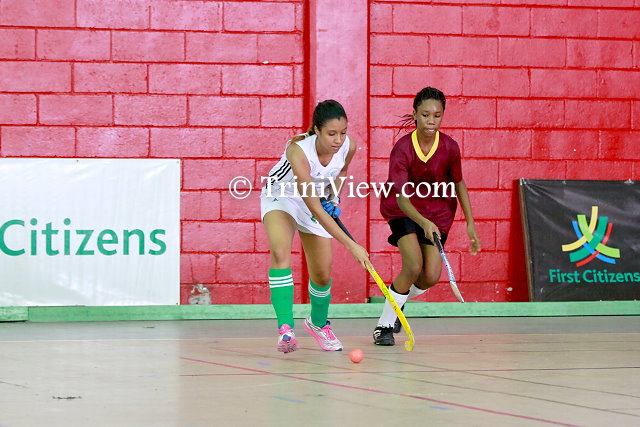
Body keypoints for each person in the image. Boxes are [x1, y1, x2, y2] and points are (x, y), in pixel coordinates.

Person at [373, 87, 481, 346]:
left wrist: (470, 223)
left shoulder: (450, 147)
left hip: (437, 211)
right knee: (413, 265)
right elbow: (401, 197)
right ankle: (384, 326)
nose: (431, 121)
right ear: (415, 114)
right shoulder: (402, 148)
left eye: (437, 116)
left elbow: (459, 182)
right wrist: (422, 222)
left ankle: (397, 300)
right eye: (425, 115)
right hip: (402, 208)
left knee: (430, 275)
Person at [261, 99, 370, 353]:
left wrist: (333, 197)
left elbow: (341, 172)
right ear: (317, 130)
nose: (338, 140)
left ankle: (318, 324)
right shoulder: (298, 151)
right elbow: (315, 209)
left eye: (343, 132)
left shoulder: (348, 146)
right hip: (282, 196)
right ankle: (286, 330)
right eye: (331, 134)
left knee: (321, 274)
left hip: (315, 199)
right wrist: (352, 245)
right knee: (280, 252)